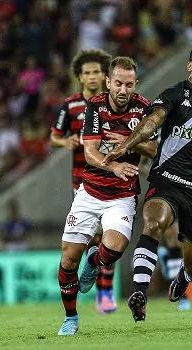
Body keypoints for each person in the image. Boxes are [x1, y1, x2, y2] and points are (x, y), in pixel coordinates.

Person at [102, 43, 192, 322]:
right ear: (190, 65)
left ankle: (184, 279)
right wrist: (127, 144)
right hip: (167, 179)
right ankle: (139, 293)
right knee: (154, 223)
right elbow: (152, 123)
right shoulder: (174, 94)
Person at [57, 56, 157, 335]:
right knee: (67, 259)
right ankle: (71, 317)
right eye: (118, 84)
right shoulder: (95, 106)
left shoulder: (145, 108)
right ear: (108, 82)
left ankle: (93, 262)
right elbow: (89, 153)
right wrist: (112, 164)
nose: (123, 90)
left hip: (123, 194)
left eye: (129, 84)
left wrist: (131, 142)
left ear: (135, 84)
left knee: (113, 249)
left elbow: (154, 149)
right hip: (89, 191)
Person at [50, 49, 120, 314]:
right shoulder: (71, 106)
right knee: (93, 238)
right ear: (80, 77)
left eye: (97, 72)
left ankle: (105, 292)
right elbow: (53, 136)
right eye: (87, 73)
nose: (92, 77)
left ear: (105, 75)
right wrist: (63, 141)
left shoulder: (113, 104)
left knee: (106, 234)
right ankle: (99, 282)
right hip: (79, 182)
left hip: (109, 179)